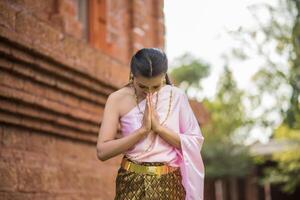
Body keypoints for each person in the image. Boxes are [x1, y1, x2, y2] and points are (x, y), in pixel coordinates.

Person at [96, 48, 205, 200]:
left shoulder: (176, 96)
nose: (149, 93)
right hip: (130, 182)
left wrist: (159, 129)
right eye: (142, 86)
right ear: (133, 75)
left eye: (155, 87)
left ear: (163, 76)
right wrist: (142, 131)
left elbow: (195, 142)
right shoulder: (117, 99)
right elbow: (102, 151)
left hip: (169, 183)